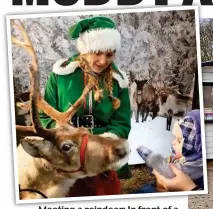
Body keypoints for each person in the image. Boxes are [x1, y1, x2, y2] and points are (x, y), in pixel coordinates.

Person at [39, 16, 132, 196]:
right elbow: (45, 116)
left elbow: (121, 123)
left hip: (102, 157)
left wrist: (102, 144)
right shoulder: (61, 74)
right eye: (97, 52)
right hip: (67, 156)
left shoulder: (118, 81)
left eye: (109, 54)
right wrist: (61, 133)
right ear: (85, 49)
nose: (103, 60)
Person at [135, 109, 203, 193]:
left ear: (191, 145)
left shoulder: (195, 165)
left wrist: (150, 157)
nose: (173, 142)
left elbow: (167, 171)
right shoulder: (193, 157)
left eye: (178, 140)